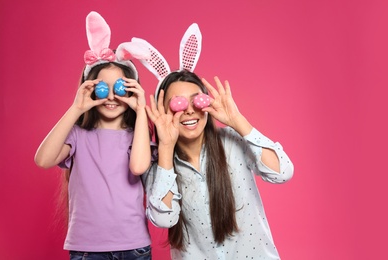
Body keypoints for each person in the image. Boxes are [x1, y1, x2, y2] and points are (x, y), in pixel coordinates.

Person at [135, 24, 294, 259]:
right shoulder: (157, 162)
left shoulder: (230, 142)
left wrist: (238, 121)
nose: (188, 111)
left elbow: (283, 172)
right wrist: (166, 148)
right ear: (162, 111)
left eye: (195, 101)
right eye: (177, 104)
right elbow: (164, 218)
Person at [34, 11, 155, 260]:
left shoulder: (138, 135)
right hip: (87, 249)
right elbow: (43, 160)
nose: (111, 96)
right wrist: (76, 108)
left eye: (120, 88)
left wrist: (141, 109)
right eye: (103, 88)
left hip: (133, 246)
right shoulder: (78, 136)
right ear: (90, 90)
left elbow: (139, 166)